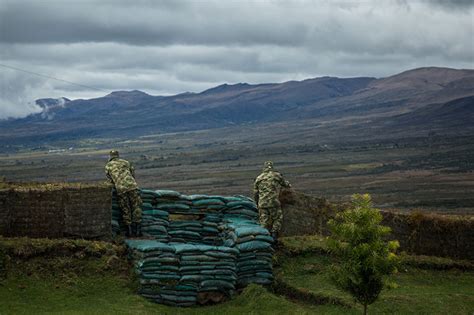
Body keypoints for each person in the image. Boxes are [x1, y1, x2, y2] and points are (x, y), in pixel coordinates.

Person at [105, 150, 142, 237]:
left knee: (125, 208)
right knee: (136, 206)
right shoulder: (126, 162)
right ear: (118, 155)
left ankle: (129, 231)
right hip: (132, 186)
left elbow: (110, 180)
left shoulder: (108, 166)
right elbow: (132, 174)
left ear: (110, 156)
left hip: (120, 189)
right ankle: (138, 230)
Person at [253, 161, 291, 241]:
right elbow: (285, 184)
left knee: (263, 221)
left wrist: (257, 202)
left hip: (262, 203)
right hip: (273, 202)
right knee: (278, 218)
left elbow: (255, 193)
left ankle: (262, 238)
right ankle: (274, 235)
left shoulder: (259, 178)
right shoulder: (276, 175)